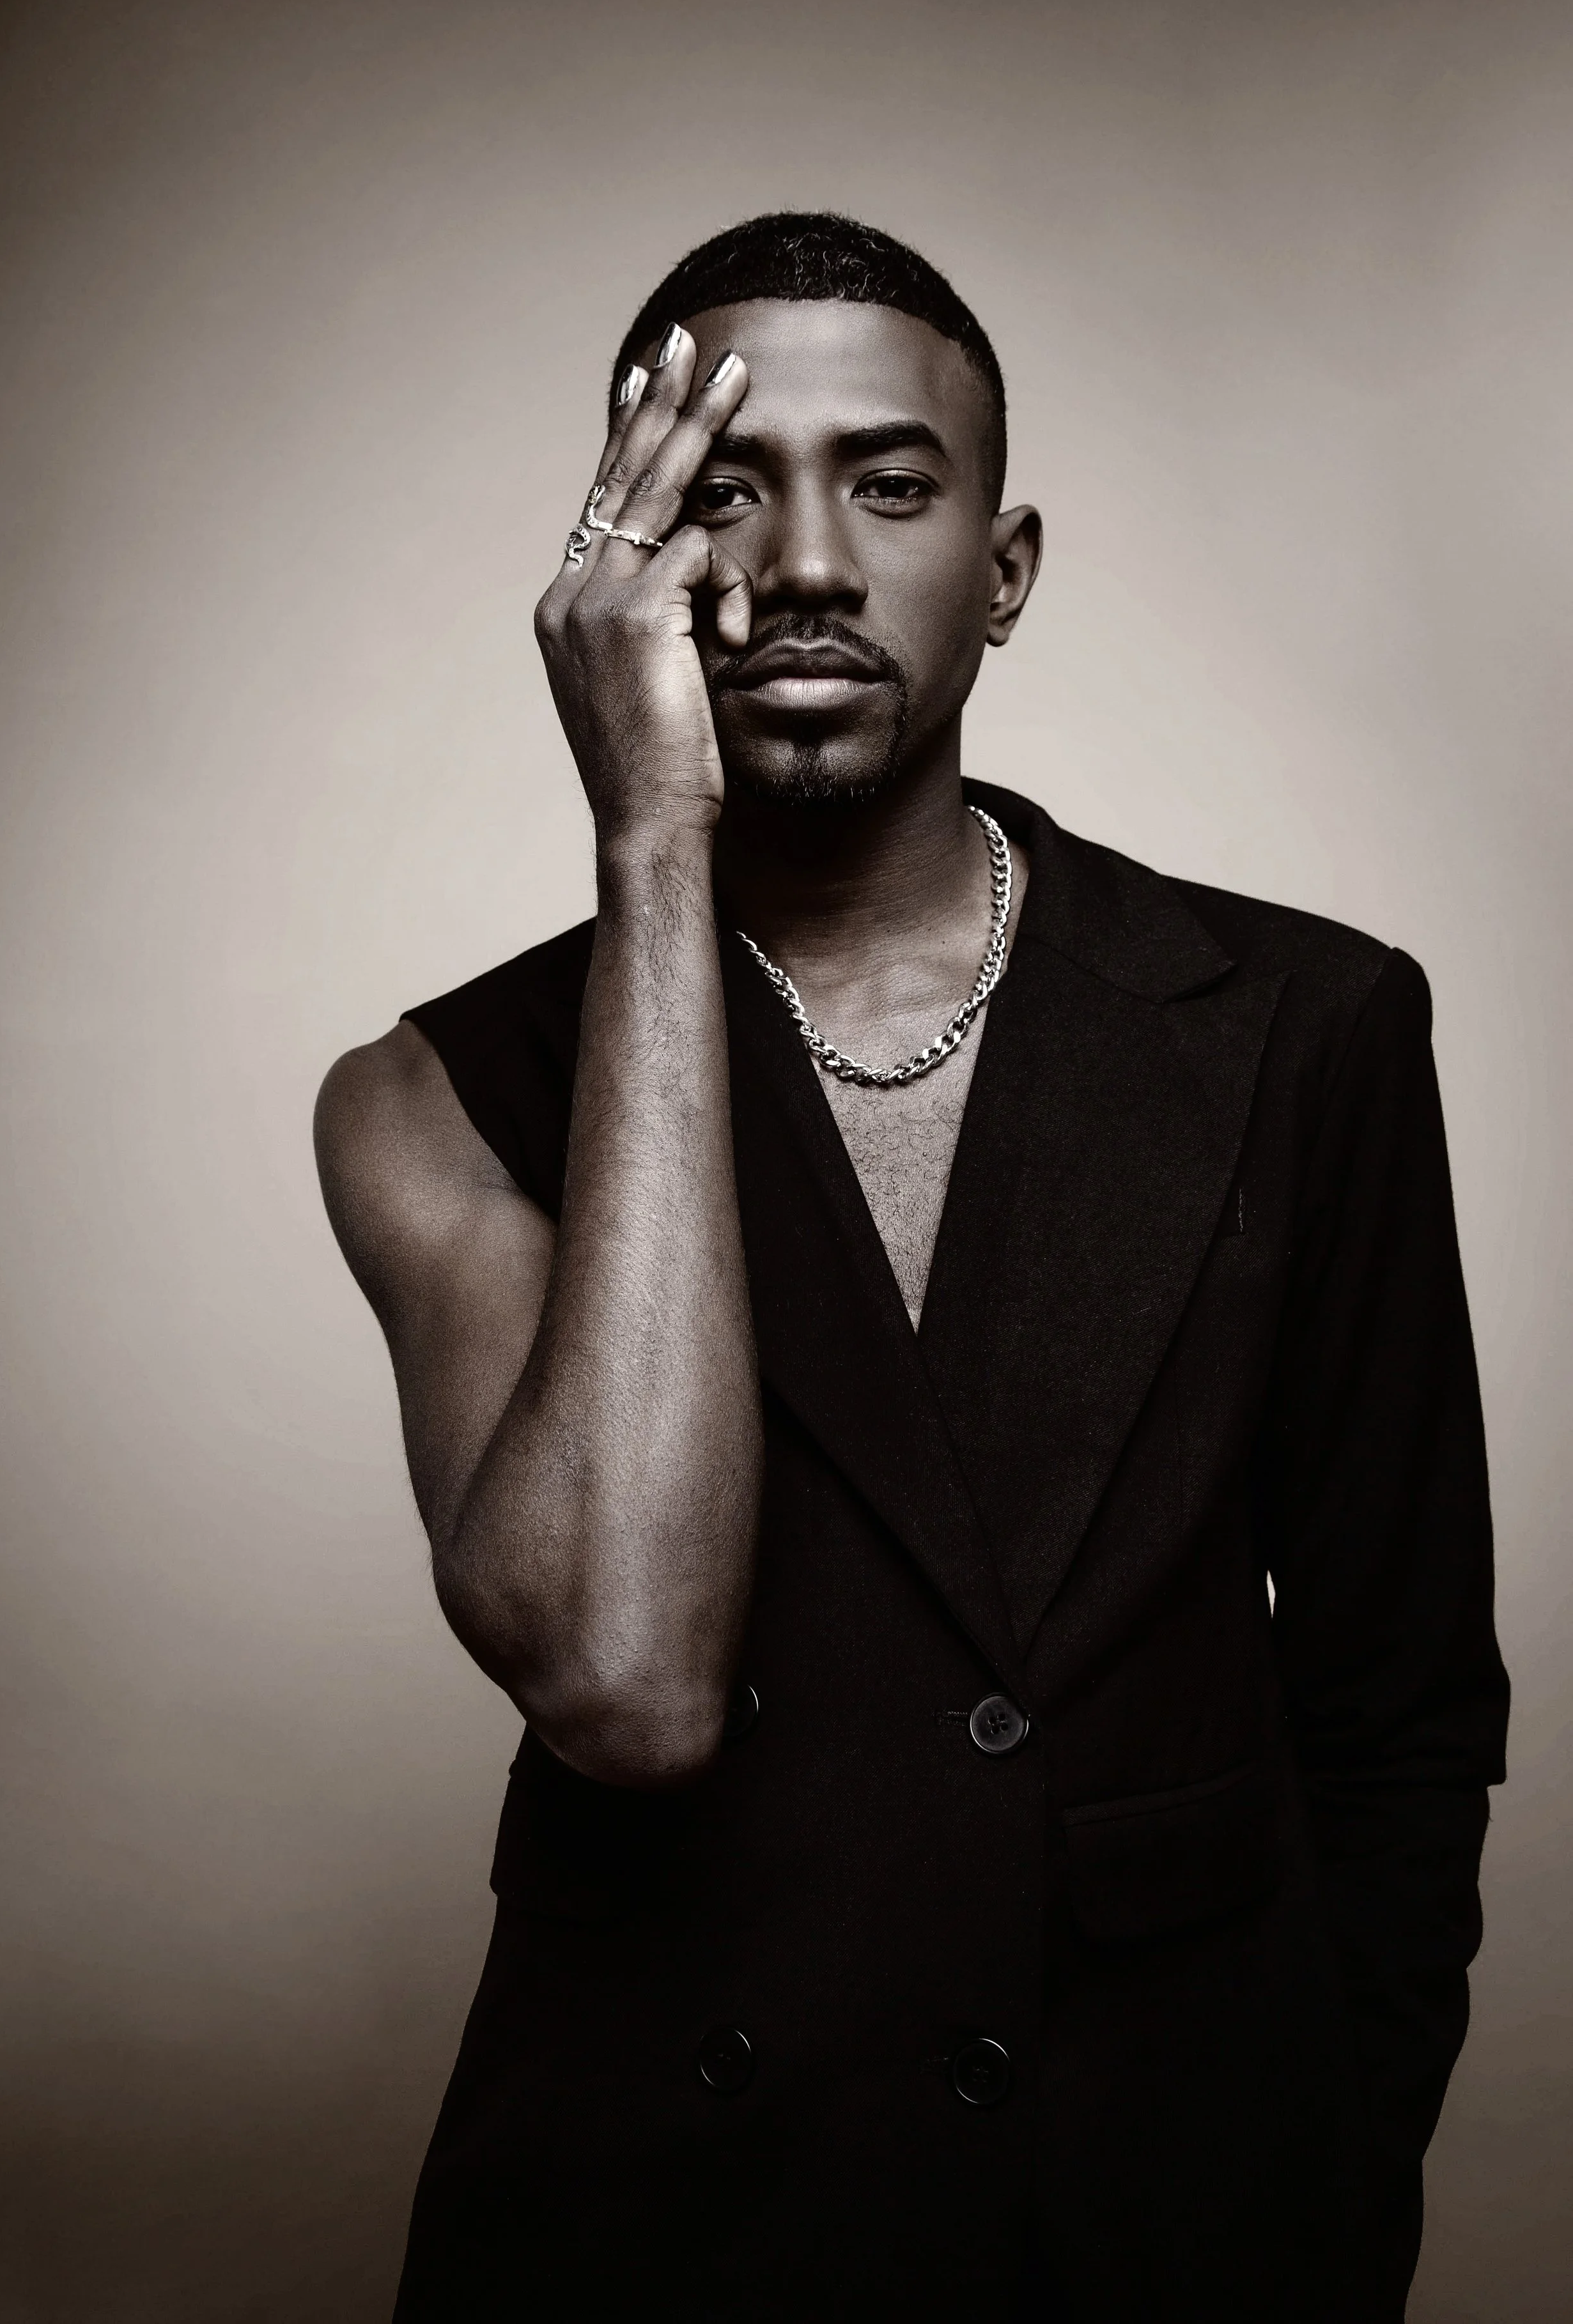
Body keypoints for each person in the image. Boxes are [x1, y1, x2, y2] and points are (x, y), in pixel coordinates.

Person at [314, 213, 1508, 2322]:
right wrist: (652, 846)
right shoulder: (436, 1094)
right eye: (714, 492)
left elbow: (1396, 1711)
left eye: (889, 485)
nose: (800, 567)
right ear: (614, 571)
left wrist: (1325, 2164)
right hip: (659, 2215)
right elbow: (626, 1676)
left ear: (1006, 565)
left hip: (1168, 2202)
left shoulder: (1303, 1029)